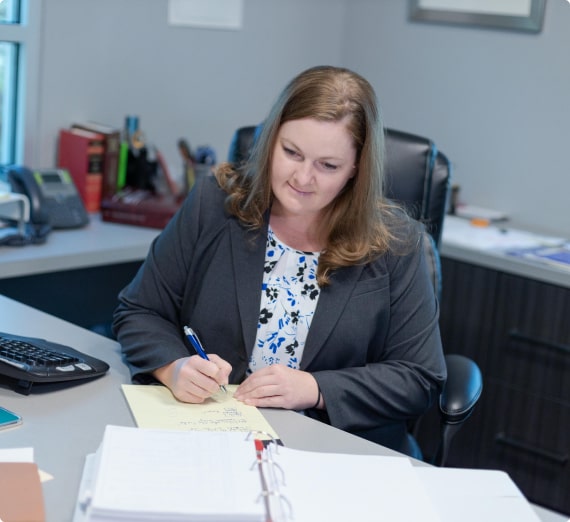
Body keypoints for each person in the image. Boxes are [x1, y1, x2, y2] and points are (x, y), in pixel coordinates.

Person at [113, 65, 446, 455]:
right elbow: (139, 310)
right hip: (213, 438)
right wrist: (174, 368)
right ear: (270, 141)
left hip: (335, 454)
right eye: (292, 153)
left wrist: (317, 389)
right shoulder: (214, 205)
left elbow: (420, 377)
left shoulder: (397, 244)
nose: (303, 178)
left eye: (328, 165)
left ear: (355, 169)